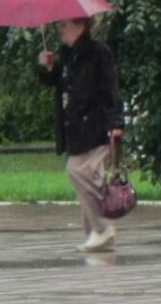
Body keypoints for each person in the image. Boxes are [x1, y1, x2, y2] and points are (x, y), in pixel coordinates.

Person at [36, 16, 124, 251]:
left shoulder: (98, 52)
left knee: (77, 171)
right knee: (89, 179)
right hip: (74, 129)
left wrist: (116, 122)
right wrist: (49, 68)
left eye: (63, 25)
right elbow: (60, 84)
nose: (59, 30)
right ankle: (95, 235)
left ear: (80, 26)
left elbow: (110, 88)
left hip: (97, 127)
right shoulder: (67, 54)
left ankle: (103, 228)